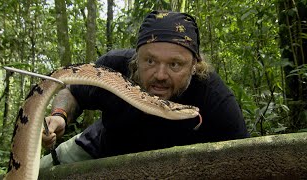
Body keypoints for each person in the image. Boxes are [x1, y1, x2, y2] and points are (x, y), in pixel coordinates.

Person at [40, 10, 249, 168]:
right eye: (149, 61)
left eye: (175, 64)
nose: (160, 75)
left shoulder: (213, 97)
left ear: (195, 65)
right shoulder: (113, 69)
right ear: (136, 59)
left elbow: (244, 159)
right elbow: (72, 91)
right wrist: (60, 115)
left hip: (167, 167)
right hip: (96, 149)